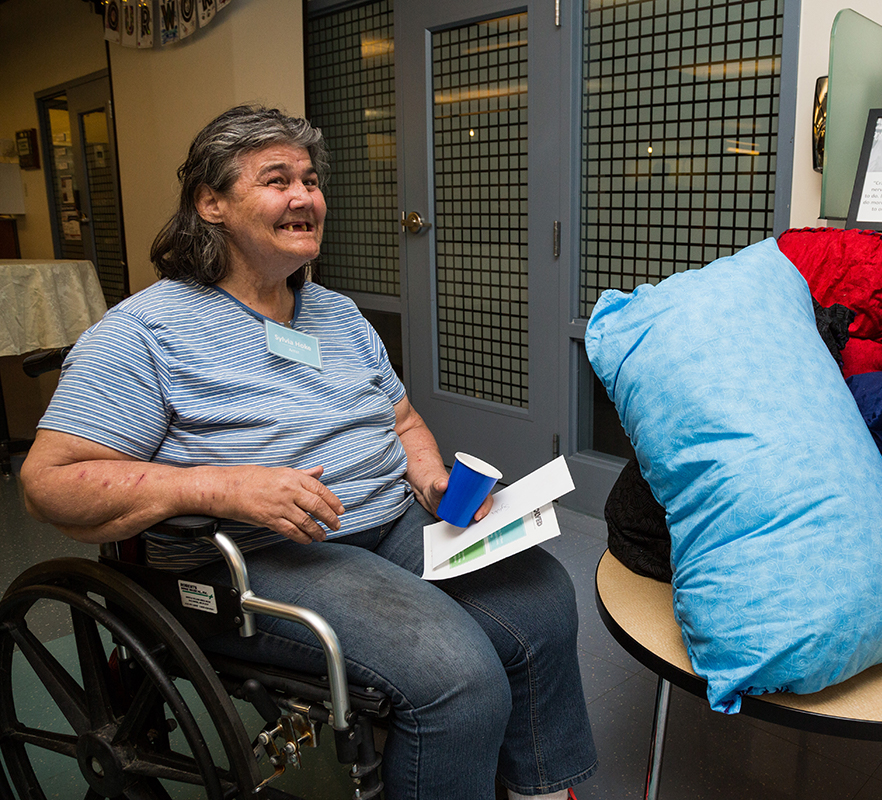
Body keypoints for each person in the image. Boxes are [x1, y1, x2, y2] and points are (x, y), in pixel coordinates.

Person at [20, 105, 597, 800]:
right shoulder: (144, 332)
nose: (304, 197)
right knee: (454, 672)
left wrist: (431, 478)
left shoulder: (336, 313)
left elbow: (403, 419)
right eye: (277, 180)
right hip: (256, 559)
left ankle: (541, 789)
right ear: (210, 203)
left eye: (311, 181)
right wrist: (218, 487)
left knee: (539, 599)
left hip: (390, 522)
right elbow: (49, 482)